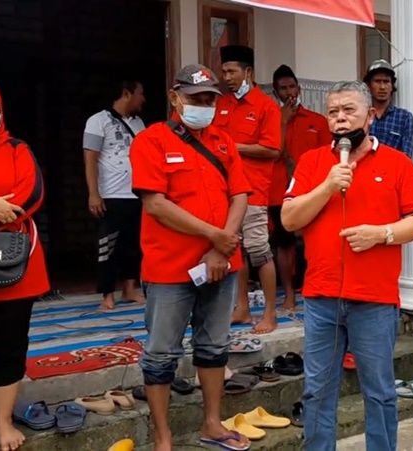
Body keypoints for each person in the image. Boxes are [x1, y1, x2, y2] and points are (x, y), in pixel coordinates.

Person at [282, 80, 413, 451]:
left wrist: (381, 234)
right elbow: (289, 219)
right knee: (317, 391)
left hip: (374, 301)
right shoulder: (314, 162)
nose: (340, 119)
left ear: (371, 114)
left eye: (349, 110)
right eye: (333, 112)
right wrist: (327, 187)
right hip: (322, 297)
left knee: (379, 392)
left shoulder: (397, 164)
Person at [129, 65, 251, 451]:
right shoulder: (152, 141)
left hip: (222, 264)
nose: (204, 105)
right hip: (169, 270)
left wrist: (221, 245)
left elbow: (240, 195)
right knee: (162, 352)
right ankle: (163, 437)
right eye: (196, 98)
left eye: (210, 99)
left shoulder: (223, 142)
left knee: (214, 346)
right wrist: (214, 235)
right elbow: (156, 205)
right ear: (175, 98)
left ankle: (212, 424)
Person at [0, 75, 49, 451]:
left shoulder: (16, 147)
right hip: (1, 238)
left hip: (14, 268)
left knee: (9, 347)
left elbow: (32, 192)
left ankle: (3, 422)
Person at [213, 45, 282, 333]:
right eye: (224, 71)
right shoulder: (222, 103)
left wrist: (232, 147)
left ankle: (269, 313)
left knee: (259, 251)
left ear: (248, 72)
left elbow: (272, 149)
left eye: (232, 71)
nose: (226, 77)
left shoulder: (266, 106)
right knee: (234, 250)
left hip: (253, 191)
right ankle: (241, 309)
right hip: (225, 191)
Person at [268, 64, 331, 310]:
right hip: (278, 191)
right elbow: (274, 153)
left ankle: (314, 289)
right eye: (283, 88)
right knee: (283, 244)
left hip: (312, 192)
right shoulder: (271, 120)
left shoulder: (318, 121)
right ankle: (289, 295)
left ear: (299, 88)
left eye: (292, 86)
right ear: (275, 92)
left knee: (314, 240)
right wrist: (282, 121)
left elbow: (329, 156)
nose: (288, 92)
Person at [83, 80, 146, 310]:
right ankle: (107, 295)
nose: (143, 98)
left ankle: (129, 289)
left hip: (137, 194)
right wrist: (94, 194)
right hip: (110, 195)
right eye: (140, 93)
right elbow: (90, 159)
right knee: (107, 247)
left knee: (134, 244)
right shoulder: (98, 121)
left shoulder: (139, 123)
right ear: (126, 93)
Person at [364, 59, 413, 157]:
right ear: (369, 86)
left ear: (392, 86)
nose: (382, 87)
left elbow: (406, 156)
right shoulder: (361, 115)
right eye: (377, 81)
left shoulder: (404, 118)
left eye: (386, 81)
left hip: (393, 170)